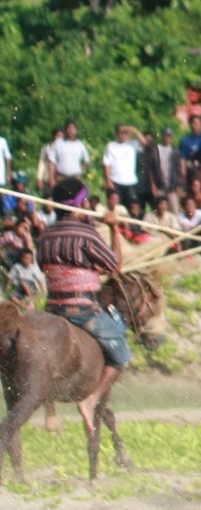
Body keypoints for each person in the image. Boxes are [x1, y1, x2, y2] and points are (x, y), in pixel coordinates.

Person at [36, 178, 129, 427]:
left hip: (52, 310)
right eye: (85, 200)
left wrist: (88, 271)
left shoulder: (45, 235)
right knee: (122, 353)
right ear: (79, 206)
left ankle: (51, 408)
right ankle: (92, 399)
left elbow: (47, 266)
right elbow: (115, 266)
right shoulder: (86, 233)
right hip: (81, 311)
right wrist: (114, 228)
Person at [102, 126, 144, 217]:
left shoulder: (133, 144)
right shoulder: (111, 145)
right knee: (115, 207)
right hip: (115, 181)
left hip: (130, 182)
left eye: (126, 132)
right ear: (117, 134)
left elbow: (144, 143)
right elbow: (106, 164)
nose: (124, 134)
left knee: (132, 206)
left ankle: (130, 229)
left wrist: (134, 130)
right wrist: (108, 180)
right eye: (122, 132)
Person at [41, 122, 91, 190]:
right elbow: (52, 161)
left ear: (76, 131)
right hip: (61, 178)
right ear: (65, 130)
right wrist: (51, 178)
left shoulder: (80, 145)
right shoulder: (58, 144)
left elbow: (86, 161)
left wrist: (79, 170)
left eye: (73, 128)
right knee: (61, 199)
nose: (71, 130)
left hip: (75, 179)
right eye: (69, 128)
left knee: (75, 199)